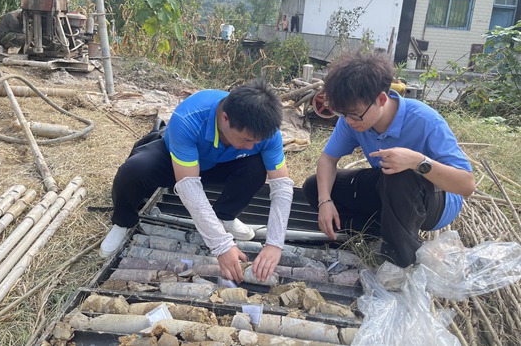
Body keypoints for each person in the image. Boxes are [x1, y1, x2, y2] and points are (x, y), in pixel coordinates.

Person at [101, 80, 294, 283]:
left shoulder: (267, 133)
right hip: (178, 161)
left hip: (224, 162)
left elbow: (282, 186)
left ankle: (224, 216)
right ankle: (123, 222)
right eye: (246, 140)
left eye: (257, 142)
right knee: (134, 170)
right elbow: (189, 186)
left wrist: (274, 243)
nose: (250, 146)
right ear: (225, 118)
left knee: (257, 166)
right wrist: (221, 245)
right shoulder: (189, 118)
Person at [302, 51, 475, 268]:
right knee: (313, 186)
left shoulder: (426, 121)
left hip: (436, 202)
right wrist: (325, 201)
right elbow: (327, 160)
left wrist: (417, 161)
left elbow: (466, 185)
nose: (348, 121)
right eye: (342, 114)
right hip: (390, 188)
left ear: (381, 99)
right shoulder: (352, 119)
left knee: (399, 174)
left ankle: (400, 264)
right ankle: (376, 235)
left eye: (354, 114)